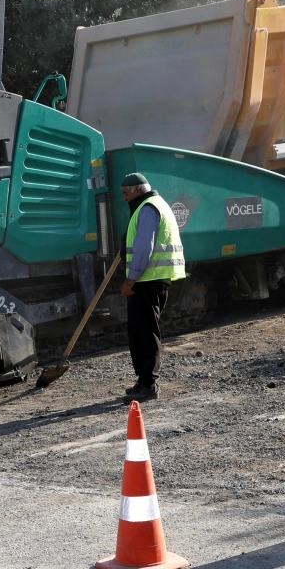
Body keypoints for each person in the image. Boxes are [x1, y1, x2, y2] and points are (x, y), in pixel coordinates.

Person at [119, 172, 186, 404]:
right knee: (140, 331)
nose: (125, 199)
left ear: (137, 190)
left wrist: (131, 278)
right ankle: (143, 381)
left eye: (126, 193)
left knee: (146, 333)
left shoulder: (148, 208)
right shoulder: (156, 204)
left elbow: (143, 247)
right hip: (150, 279)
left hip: (147, 280)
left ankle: (148, 384)